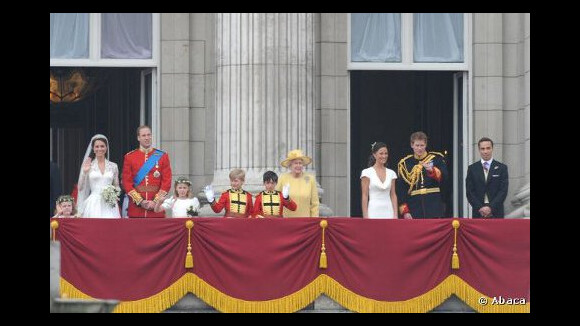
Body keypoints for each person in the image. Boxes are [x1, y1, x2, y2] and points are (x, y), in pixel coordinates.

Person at [122, 125, 172, 218]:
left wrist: (155, 201)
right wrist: (140, 201)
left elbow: (166, 182)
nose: (147, 138)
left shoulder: (162, 156)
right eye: (144, 135)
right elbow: (127, 182)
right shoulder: (130, 157)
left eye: (149, 135)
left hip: (156, 210)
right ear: (138, 138)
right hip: (136, 210)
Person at [396, 131, 448, 219]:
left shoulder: (436, 159)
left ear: (426, 145)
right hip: (414, 207)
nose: (419, 148)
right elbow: (401, 189)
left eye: (422, 145)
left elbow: (445, 179)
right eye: (417, 145)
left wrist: (432, 171)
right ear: (412, 145)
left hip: (433, 206)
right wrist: (405, 211)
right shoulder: (405, 163)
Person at [76, 134, 122, 218]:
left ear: (106, 147)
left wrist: (113, 194)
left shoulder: (113, 166)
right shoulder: (88, 166)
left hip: (109, 203)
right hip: (93, 203)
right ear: (93, 149)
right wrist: (84, 172)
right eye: (96, 146)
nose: (99, 149)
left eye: (102, 146)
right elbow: (80, 187)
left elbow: (117, 186)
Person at [465, 137, 509, 218]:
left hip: (496, 211)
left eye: (488, 148)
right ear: (479, 150)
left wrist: (491, 208)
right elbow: (470, 192)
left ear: (492, 149)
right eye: (483, 149)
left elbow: (503, 190)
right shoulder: (472, 168)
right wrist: (480, 208)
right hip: (478, 212)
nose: (485, 151)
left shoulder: (502, 168)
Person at [276, 149, 319, 217]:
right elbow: (277, 201)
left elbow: (315, 204)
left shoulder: (310, 179)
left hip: (305, 222)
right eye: (296, 163)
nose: (298, 165)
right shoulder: (283, 178)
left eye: (300, 163)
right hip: (287, 221)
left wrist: (314, 220)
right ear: (290, 165)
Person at [360, 142, 398, 219]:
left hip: (388, 211)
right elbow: (365, 195)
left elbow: (393, 195)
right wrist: (365, 215)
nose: (384, 156)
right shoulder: (367, 173)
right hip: (373, 211)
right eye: (381, 153)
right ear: (374, 155)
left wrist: (395, 214)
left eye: (386, 153)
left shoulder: (391, 173)